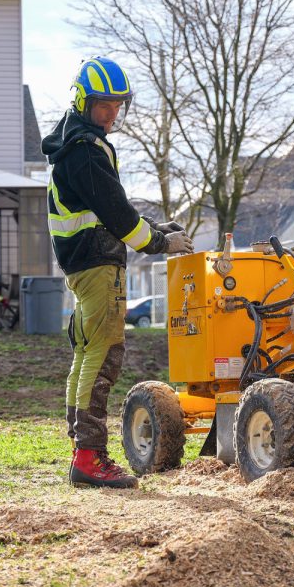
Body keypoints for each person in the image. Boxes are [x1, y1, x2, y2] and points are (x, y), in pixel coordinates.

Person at [42, 56, 194, 488]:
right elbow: (118, 214)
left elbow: (108, 213)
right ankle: (90, 459)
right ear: (82, 102)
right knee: (103, 357)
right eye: (103, 105)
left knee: (86, 356)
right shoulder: (86, 153)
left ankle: (81, 453)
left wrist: (155, 229)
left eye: (117, 105)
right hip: (96, 266)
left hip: (83, 265)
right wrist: (162, 243)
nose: (111, 113)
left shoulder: (72, 148)